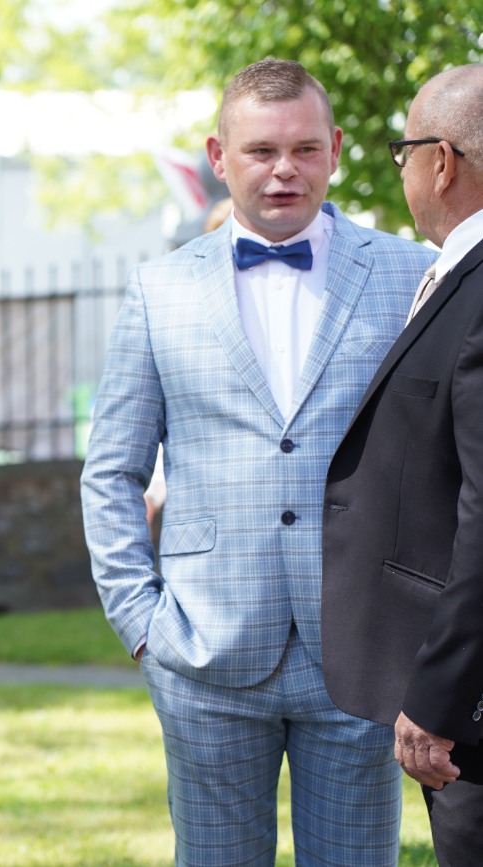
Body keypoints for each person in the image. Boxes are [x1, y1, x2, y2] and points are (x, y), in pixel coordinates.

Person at [80, 58, 436, 867]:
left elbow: (441, 463)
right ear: (218, 154)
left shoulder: (407, 275)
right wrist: (142, 624)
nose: (285, 170)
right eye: (261, 151)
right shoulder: (158, 291)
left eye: (306, 149)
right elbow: (111, 471)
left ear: (338, 148)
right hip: (202, 654)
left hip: (359, 653)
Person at [322, 63, 483, 867]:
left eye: (403, 150)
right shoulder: (454, 275)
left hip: (467, 709)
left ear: (443, 161)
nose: (405, 169)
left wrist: (439, 692)